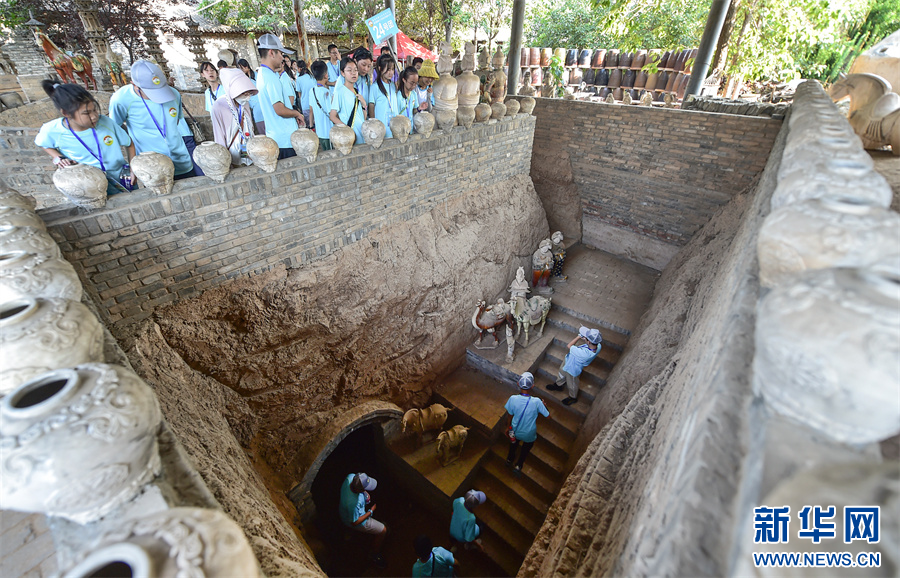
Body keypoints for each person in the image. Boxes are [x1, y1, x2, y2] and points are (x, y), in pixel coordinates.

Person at [35, 81, 136, 195]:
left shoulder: (106, 123)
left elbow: (129, 143)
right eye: (86, 113)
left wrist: (133, 169)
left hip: (123, 178)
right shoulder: (52, 130)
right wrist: (59, 157)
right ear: (66, 113)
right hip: (91, 185)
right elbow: (43, 144)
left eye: (94, 110)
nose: (94, 116)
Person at [109, 59, 195, 179]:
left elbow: (176, 121)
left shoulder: (173, 94)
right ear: (134, 84)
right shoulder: (121, 99)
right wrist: (133, 163)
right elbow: (115, 129)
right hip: (151, 167)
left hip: (181, 161)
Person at [255, 33, 305, 159]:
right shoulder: (271, 77)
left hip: (277, 137)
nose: (282, 58)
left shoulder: (261, 74)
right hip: (285, 140)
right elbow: (280, 109)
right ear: (271, 53)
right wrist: (297, 114)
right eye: (280, 54)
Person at [339, 472, 387, 569]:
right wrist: (370, 511)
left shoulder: (350, 477)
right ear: (358, 490)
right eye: (364, 488)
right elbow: (354, 522)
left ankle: (348, 533)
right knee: (383, 530)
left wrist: (364, 493)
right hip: (356, 520)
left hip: (344, 512)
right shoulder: (353, 503)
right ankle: (374, 554)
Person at [211, 68, 258, 167]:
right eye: (243, 92)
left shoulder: (244, 103)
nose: (247, 95)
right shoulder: (219, 105)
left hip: (248, 148)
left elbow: (250, 125)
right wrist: (223, 160)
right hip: (232, 152)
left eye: (248, 92)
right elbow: (218, 134)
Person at [505, 372, 550, 474]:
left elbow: (510, 415)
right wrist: (544, 406)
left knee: (513, 446)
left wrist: (508, 427)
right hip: (529, 433)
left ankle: (509, 460)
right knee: (525, 450)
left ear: (518, 384)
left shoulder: (513, 399)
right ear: (532, 386)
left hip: (515, 430)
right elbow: (548, 416)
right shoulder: (537, 402)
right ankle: (519, 465)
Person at [547, 327, 601, 405]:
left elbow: (569, 345)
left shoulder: (584, 354)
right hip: (569, 361)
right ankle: (558, 385)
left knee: (572, 384)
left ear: (589, 341)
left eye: (586, 338)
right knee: (561, 373)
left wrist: (579, 337)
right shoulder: (598, 346)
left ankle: (573, 397)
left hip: (573, 369)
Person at [329, 56, 366, 144]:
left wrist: (364, 105)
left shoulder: (356, 92)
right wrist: (347, 131)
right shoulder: (340, 92)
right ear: (343, 73)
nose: (353, 73)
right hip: (351, 138)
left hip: (362, 135)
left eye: (355, 70)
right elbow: (332, 116)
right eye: (349, 70)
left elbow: (362, 118)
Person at [308, 60, 332, 150]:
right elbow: (331, 112)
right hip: (329, 131)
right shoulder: (326, 92)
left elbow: (311, 111)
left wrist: (311, 127)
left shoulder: (312, 91)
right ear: (326, 75)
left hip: (319, 132)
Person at [295, 59, 316, 128]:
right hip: (314, 104)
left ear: (299, 68)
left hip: (305, 105)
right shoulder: (311, 76)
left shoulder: (299, 79)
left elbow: (299, 94)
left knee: (309, 126)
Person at [353, 49, 374, 115]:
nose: (366, 69)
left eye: (369, 66)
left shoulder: (366, 78)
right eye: (363, 65)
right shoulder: (345, 79)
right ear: (355, 61)